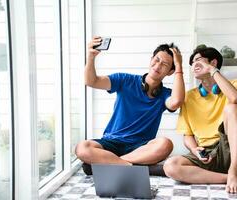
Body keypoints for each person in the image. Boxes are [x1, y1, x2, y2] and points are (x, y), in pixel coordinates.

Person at [163, 45, 237, 193]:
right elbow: (188, 135)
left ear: (213, 63)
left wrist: (212, 71)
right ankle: (236, 177)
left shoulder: (234, 84)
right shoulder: (189, 96)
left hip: (231, 149)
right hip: (207, 153)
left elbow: (236, 99)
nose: (194, 65)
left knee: (233, 107)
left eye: (198, 60)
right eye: (192, 63)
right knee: (170, 166)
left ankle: (234, 170)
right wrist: (194, 149)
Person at [75, 36, 185, 173]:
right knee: (82, 147)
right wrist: (91, 56)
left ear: (170, 72)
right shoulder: (125, 80)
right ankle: (130, 166)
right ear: (151, 59)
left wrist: (179, 66)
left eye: (165, 65)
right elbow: (92, 81)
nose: (158, 66)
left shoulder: (165, 94)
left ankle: (108, 162)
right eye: (157, 60)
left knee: (165, 144)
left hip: (140, 148)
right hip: (112, 141)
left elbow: (176, 102)